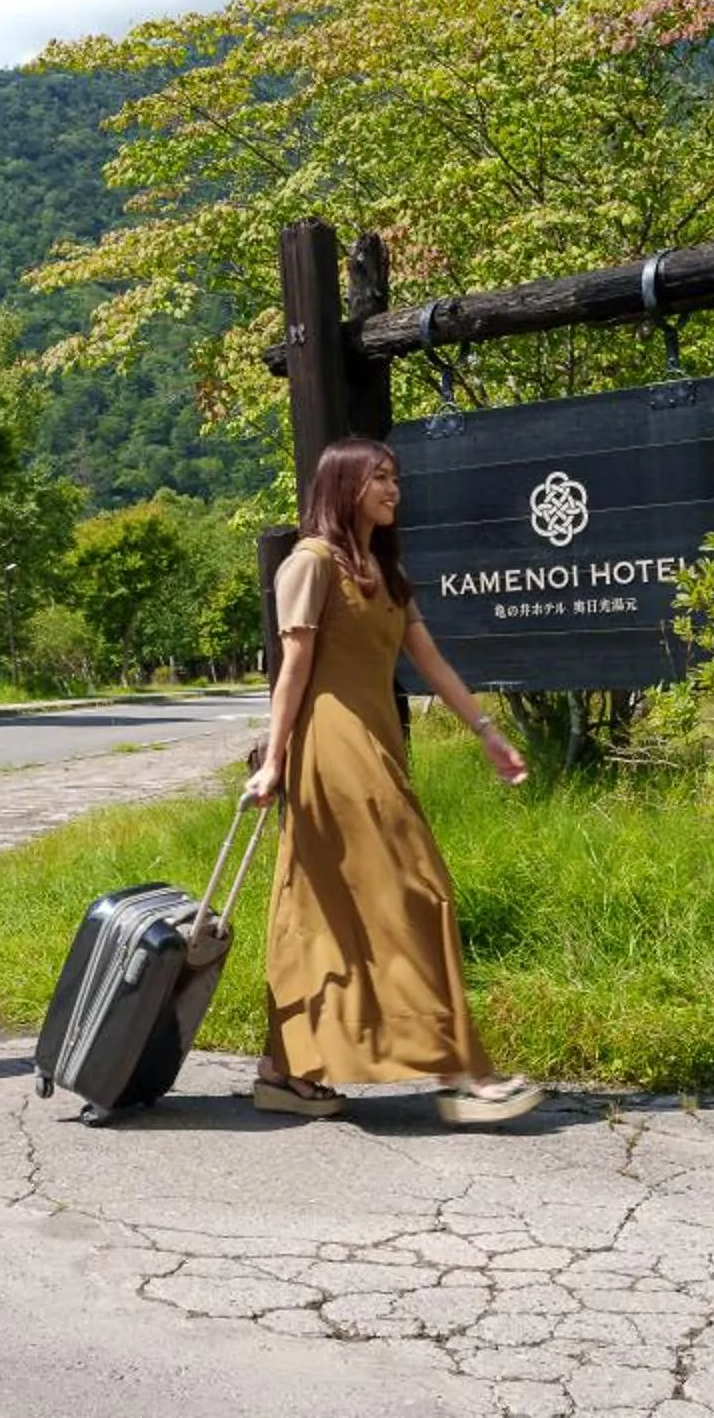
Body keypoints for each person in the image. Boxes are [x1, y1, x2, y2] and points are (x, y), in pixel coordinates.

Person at [243, 436, 543, 1126]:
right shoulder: (310, 564)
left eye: (395, 478)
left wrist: (487, 733)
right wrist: (275, 763)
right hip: (332, 753)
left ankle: (283, 1070)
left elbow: (430, 662)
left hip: (377, 749)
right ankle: (465, 1073)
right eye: (379, 478)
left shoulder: (384, 568)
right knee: (418, 890)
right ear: (344, 485)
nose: (392, 489)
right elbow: (292, 672)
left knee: (319, 912)